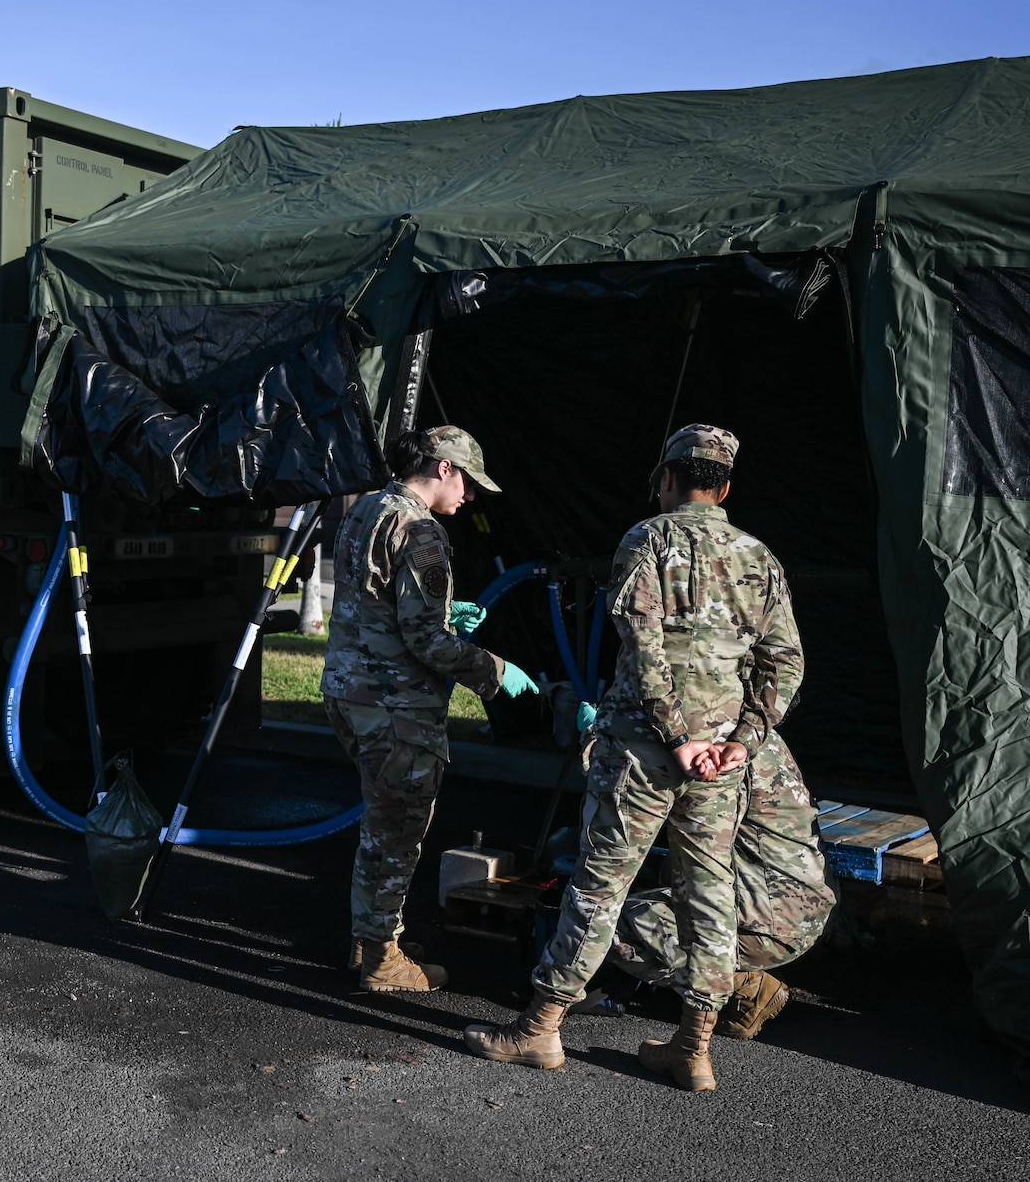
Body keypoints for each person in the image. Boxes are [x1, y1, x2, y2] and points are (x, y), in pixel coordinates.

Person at [465, 424, 803, 1090]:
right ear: (725, 486)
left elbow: (643, 647)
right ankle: (692, 1046)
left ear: (669, 477)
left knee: (599, 885)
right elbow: (783, 662)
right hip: (718, 766)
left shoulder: (645, 540)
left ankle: (540, 1029)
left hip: (645, 756)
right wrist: (742, 740)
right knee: (709, 894)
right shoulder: (758, 557)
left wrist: (677, 735)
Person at [320, 426, 541, 993]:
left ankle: (372, 938)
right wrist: (494, 671)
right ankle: (381, 962)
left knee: (379, 825)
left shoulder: (368, 507)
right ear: (445, 467)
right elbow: (428, 643)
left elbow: (376, 602)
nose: (470, 497)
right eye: (468, 482)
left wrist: (440, 615)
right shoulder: (422, 531)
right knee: (395, 835)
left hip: (350, 693)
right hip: (397, 708)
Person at [605, 731, 835, 1039]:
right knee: (669, 874)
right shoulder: (756, 737)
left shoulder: (716, 750)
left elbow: (638, 802)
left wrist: (608, 749)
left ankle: (746, 987)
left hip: (768, 922)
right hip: (803, 908)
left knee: (605, 923)